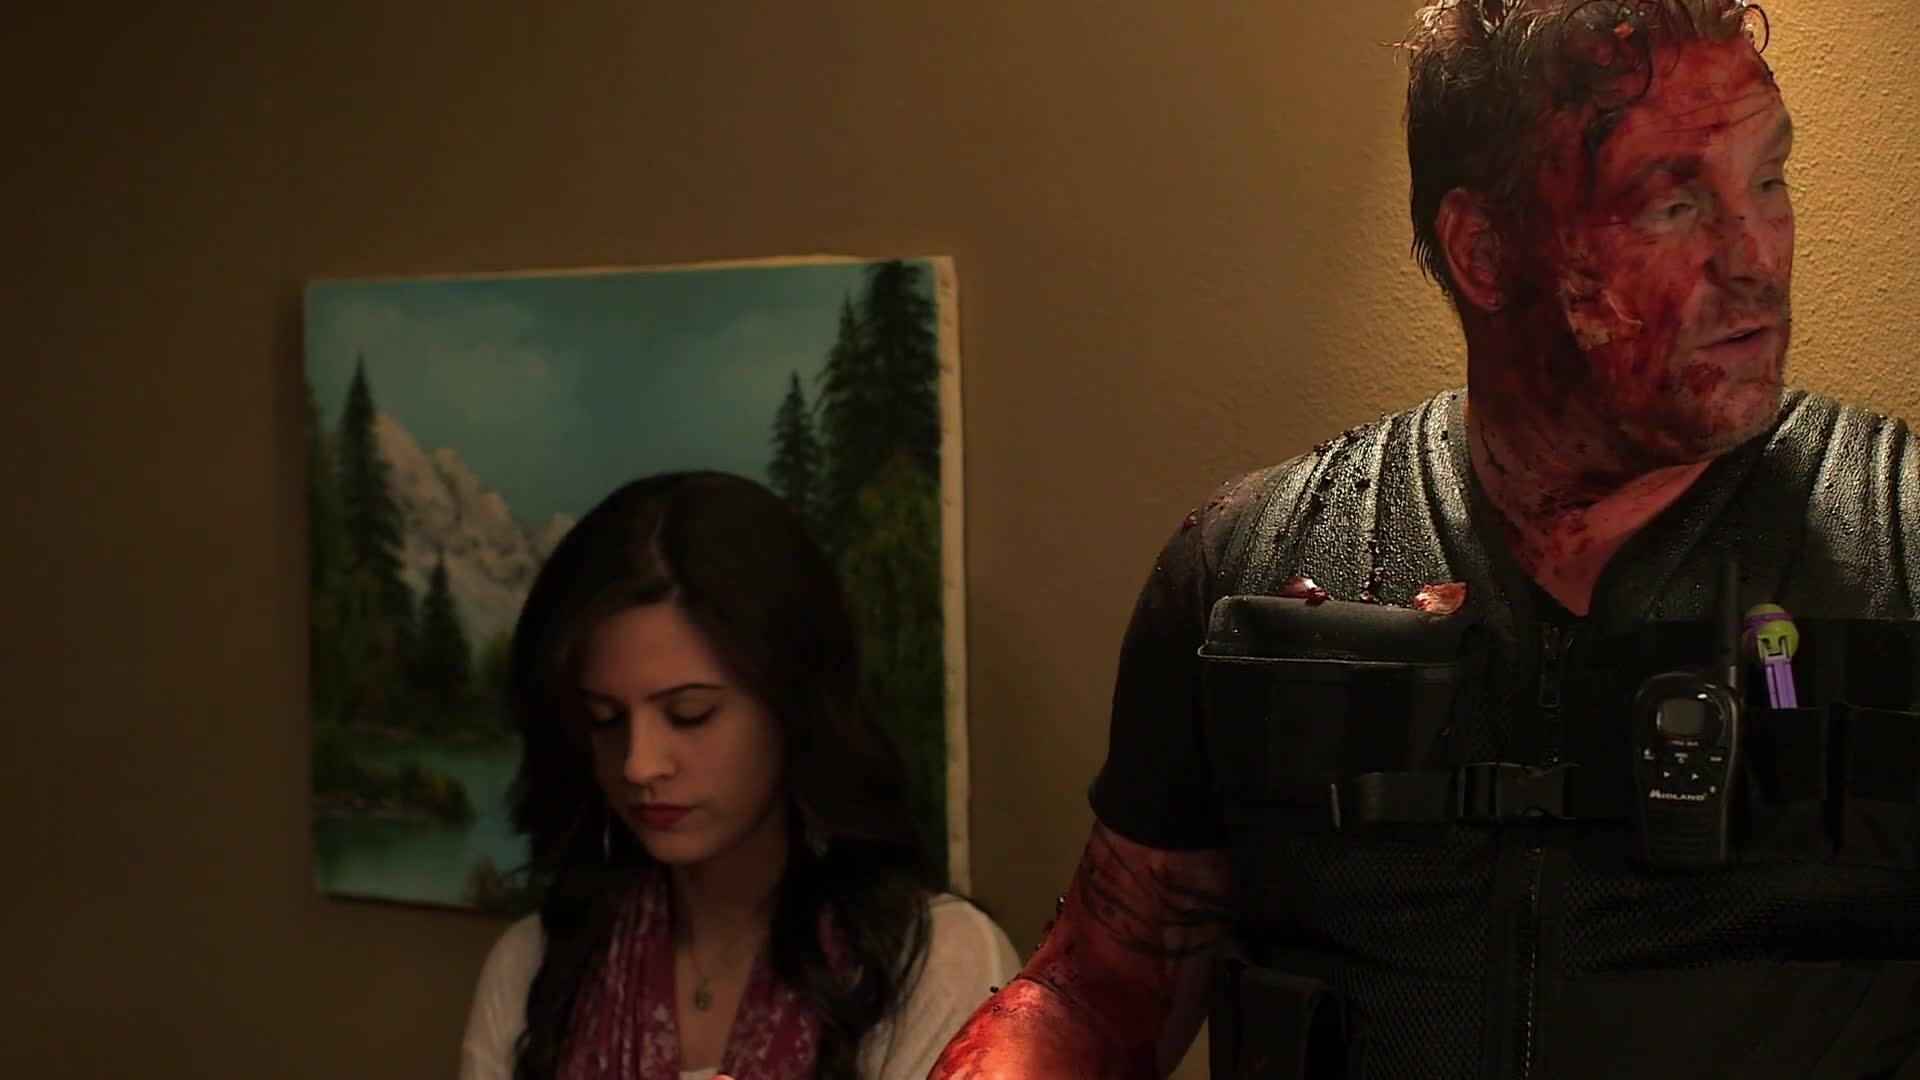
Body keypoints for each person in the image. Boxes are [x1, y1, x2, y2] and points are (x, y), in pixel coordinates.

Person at [931, 2, 1920, 1077]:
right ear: (1484, 251)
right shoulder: (1247, 566)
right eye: (1674, 205)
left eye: (1768, 180)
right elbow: (1095, 992)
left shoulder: (1899, 543)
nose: (1757, 256)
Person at [458, 471, 1021, 1080]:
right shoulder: (534, 970)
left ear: (791, 703)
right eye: (605, 718)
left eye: (689, 714)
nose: (639, 764)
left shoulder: (935, 967)